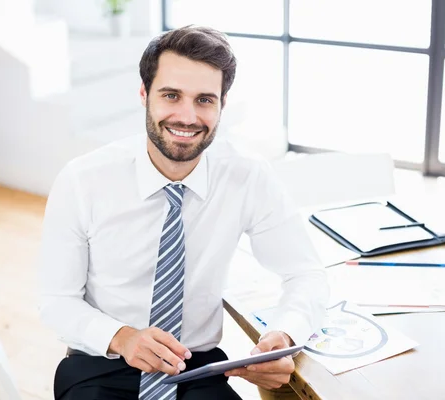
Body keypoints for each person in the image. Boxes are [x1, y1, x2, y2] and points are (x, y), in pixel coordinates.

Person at [38, 25, 329, 400]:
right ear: (144, 94)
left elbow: (305, 273)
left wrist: (285, 332)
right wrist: (122, 337)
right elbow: (56, 301)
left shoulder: (248, 176)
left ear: (222, 104)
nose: (187, 116)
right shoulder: (82, 180)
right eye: (171, 95)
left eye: (205, 100)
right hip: (101, 362)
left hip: (197, 368)